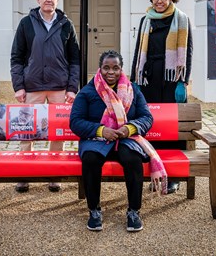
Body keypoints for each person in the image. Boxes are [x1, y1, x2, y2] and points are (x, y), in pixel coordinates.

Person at [70, 50, 167, 232]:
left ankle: (133, 211)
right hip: (96, 139)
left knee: (132, 159)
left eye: (115, 68)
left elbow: (146, 117)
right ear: (100, 69)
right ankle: (94, 210)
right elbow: (75, 121)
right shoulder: (87, 92)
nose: (111, 72)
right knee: (90, 159)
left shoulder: (133, 90)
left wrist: (129, 128)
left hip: (126, 138)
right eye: (106, 68)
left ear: (121, 69)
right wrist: (101, 130)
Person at [10, 0, 80, 193]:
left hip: (59, 86)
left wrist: (72, 87)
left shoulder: (66, 24)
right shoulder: (26, 23)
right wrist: (18, 86)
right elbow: (17, 57)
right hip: (33, 86)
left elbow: (75, 59)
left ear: (57, 0)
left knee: (58, 132)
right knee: (26, 131)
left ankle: (54, 173)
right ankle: (24, 174)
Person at [130, 0, 193, 194]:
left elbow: (188, 52)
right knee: (150, 124)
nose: (159, 1)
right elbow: (138, 53)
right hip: (148, 79)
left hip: (171, 79)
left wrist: (183, 82)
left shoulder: (182, 20)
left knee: (171, 127)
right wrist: (133, 82)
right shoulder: (145, 20)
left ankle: (173, 174)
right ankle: (151, 167)